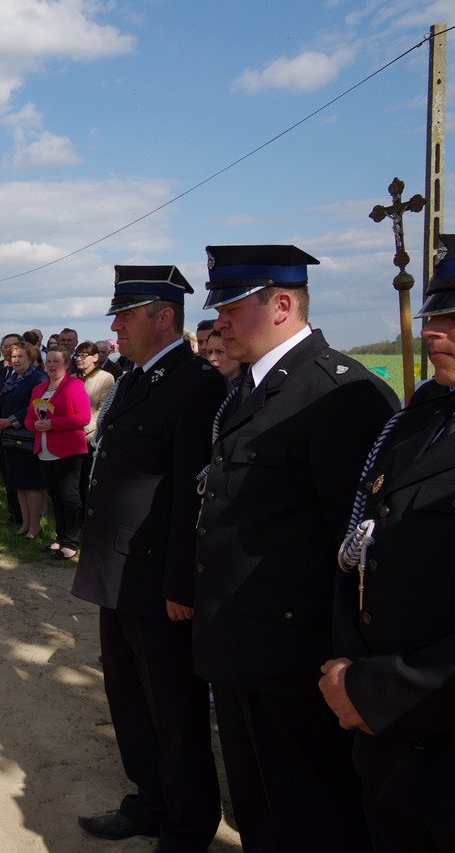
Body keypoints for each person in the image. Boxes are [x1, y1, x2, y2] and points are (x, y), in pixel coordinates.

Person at [194, 244, 397, 851]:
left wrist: (351, 664)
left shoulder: (341, 394)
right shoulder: (248, 389)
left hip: (296, 659)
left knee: (311, 815)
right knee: (259, 807)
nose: (219, 322)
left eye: (231, 307)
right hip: (240, 647)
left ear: (282, 304)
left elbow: (360, 548)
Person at [72, 266, 227, 851]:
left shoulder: (196, 386)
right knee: (128, 698)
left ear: (164, 318)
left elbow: (194, 496)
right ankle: (148, 800)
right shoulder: (136, 379)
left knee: (174, 711)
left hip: (160, 580)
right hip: (119, 571)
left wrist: (181, 583)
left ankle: (187, 826)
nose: (114, 326)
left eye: (126, 315)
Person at [317, 239, 455, 853]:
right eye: (433, 316)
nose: (433, 333)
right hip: (386, 737)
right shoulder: (424, 415)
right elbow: (364, 546)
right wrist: (349, 667)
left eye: (453, 320)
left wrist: (377, 690)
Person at [30, 345, 90, 561]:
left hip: (68, 451)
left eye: (57, 361)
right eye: (49, 362)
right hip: (44, 451)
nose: (52, 365)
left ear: (66, 364)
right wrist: (35, 425)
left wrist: (52, 424)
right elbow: (30, 417)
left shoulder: (74, 386)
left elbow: (83, 418)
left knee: (69, 497)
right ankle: (61, 538)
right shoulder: (39, 389)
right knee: (56, 496)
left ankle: (72, 542)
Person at [0, 343, 46, 535]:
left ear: (30, 359)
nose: (16, 360)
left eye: (20, 356)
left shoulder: (37, 378)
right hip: (9, 437)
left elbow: (34, 407)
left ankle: (35, 525)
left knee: (30, 482)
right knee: (18, 483)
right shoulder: (12, 377)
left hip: (27, 435)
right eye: (13, 357)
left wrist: (10, 421)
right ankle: (25, 523)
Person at [74, 341, 115, 508]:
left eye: (84, 356)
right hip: (70, 437)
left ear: (96, 357)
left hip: (89, 437)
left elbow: (103, 410)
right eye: (77, 355)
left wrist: (80, 428)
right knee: (72, 482)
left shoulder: (105, 378)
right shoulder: (71, 379)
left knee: (86, 480)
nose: (79, 359)